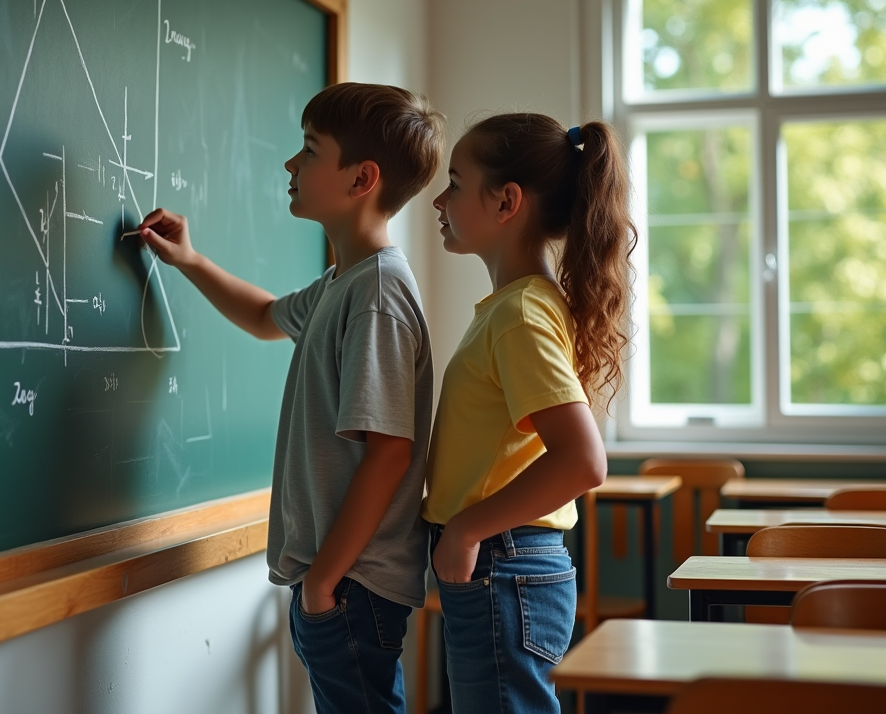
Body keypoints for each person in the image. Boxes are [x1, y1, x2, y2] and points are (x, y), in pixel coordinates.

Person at [134, 82, 446, 714]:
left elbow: (389, 454)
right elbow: (264, 315)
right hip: (338, 581)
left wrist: (326, 580)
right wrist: (189, 260)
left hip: (352, 582)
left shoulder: (377, 296)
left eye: (308, 149)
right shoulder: (344, 282)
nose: (290, 164)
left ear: (361, 179)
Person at [423, 113, 635, 714]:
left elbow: (583, 462)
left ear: (507, 201)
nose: (440, 199)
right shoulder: (516, 308)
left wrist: (466, 529)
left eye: (457, 183)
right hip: (504, 563)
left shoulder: (519, 315)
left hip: (503, 562)